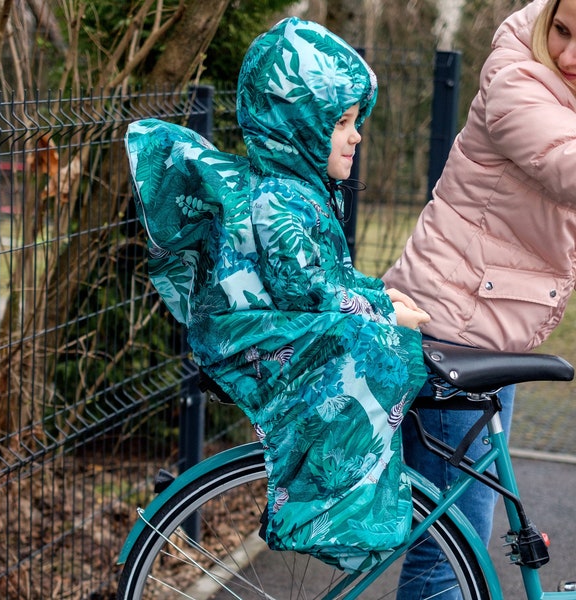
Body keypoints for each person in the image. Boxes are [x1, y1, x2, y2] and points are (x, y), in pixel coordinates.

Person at [126, 17, 430, 573]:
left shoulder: (301, 192)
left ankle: (340, 498)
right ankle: (327, 511)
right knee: (375, 349)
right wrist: (383, 308)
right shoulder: (281, 200)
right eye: (341, 122)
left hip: (277, 324)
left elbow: (328, 279)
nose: (356, 134)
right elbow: (305, 286)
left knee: (378, 339)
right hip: (258, 337)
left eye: (357, 121)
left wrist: (377, 294)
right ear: (299, 129)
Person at [383, 0, 576, 597]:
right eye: (562, 31)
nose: (568, 54)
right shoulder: (518, 77)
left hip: (485, 325)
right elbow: (564, 165)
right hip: (454, 327)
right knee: (452, 548)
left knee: (461, 535)